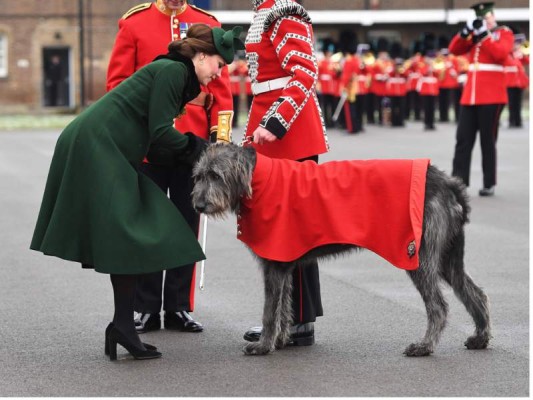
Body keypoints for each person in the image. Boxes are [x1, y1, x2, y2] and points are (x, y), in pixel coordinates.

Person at [30, 24, 244, 360]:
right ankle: (124, 326)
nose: (219, 73)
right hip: (98, 145)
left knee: (128, 234)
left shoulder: (177, 74)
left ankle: (122, 326)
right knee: (128, 231)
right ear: (201, 57)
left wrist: (189, 156)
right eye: (218, 64)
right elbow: (160, 132)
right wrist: (202, 150)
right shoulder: (174, 70)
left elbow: (154, 137)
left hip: (109, 146)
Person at [106, 0, 233, 334]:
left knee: (185, 223)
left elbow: (221, 92)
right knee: (147, 224)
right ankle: (146, 306)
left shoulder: (207, 23)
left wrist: (218, 142)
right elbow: (118, 85)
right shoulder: (134, 23)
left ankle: (177, 306)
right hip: (149, 143)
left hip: (192, 144)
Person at [241, 0, 329, 346]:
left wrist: (276, 122)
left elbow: (304, 72)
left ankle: (298, 321)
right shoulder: (265, 10)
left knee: (295, 232)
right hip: (272, 132)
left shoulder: (283, 12)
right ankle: (286, 318)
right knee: (280, 232)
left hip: (288, 135)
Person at [448, 1, 513, 197]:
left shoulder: (503, 33)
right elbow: (454, 49)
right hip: (470, 96)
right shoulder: (474, 37)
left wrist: (485, 34)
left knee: (488, 141)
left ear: (493, 16)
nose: (484, 21)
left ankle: (489, 183)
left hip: (492, 95)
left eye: (487, 17)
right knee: (462, 140)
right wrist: (466, 31)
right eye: (481, 19)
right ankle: (458, 182)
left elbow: (500, 54)